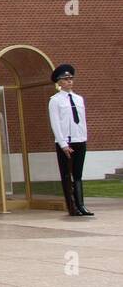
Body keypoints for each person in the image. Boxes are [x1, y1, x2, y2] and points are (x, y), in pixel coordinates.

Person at [49, 63, 92, 217]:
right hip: (66, 141)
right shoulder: (55, 100)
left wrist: (84, 137)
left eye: (70, 79)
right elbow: (56, 123)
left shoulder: (78, 99)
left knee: (78, 174)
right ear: (59, 82)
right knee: (68, 174)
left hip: (79, 139)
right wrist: (63, 144)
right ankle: (72, 207)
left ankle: (81, 205)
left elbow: (82, 120)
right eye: (65, 79)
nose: (69, 81)